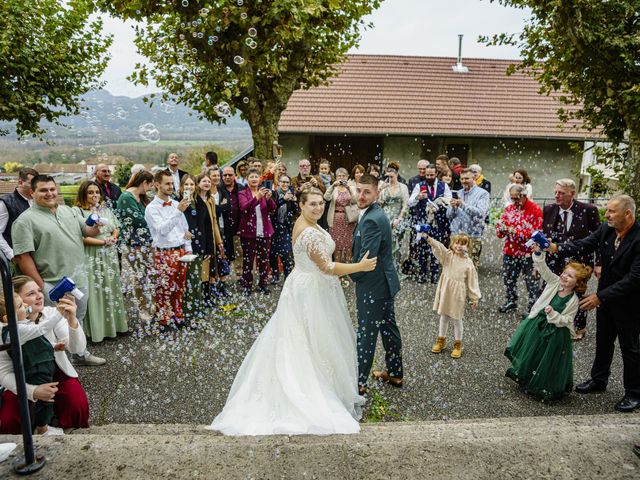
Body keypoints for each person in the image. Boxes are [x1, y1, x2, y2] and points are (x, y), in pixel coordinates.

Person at [208, 188, 376, 435]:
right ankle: (311, 388)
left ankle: (325, 382)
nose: (318, 208)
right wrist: (359, 266)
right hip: (311, 291)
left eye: (320, 203)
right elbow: (327, 267)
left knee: (308, 338)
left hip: (307, 285)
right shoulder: (308, 232)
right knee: (309, 340)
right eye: (312, 204)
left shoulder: (309, 223)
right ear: (301, 205)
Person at [546, 194, 640, 412]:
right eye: (606, 210)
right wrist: (556, 248)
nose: (605, 215)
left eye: (611, 211)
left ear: (627, 214)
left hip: (630, 305)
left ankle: (634, 393)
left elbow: (634, 279)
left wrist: (600, 296)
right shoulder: (607, 230)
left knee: (631, 348)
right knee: (603, 341)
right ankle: (599, 380)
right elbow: (583, 245)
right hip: (606, 300)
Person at [11, 175, 105, 366]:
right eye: (43, 190)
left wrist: (96, 225)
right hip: (51, 283)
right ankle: (57, 365)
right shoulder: (24, 221)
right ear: (32, 193)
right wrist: (40, 285)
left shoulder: (68, 211)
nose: (49, 193)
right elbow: (23, 257)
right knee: (53, 325)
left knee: (77, 318)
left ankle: (80, 355)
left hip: (78, 278)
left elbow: (87, 232)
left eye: (52, 189)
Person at [0, 275, 89, 434]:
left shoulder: (50, 313)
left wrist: (72, 320)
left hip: (54, 371)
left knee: (77, 406)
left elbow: (77, 349)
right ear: (12, 300)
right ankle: (39, 430)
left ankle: (56, 424)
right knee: (10, 420)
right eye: (31, 294)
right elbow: (4, 372)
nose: (40, 296)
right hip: (22, 377)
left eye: (39, 291)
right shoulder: (5, 329)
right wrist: (33, 390)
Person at [505, 249, 592, 401]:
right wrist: (539, 254)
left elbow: (567, 320)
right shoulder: (554, 282)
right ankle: (527, 377)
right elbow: (542, 268)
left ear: (577, 283)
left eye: (570, 276)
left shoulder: (573, 301)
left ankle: (543, 385)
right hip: (538, 325)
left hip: (556, 333)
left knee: (548, 358)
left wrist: (553, 315)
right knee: (534, 352)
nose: (564, 276)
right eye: (565, 272)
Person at [351, 174, 403, 393]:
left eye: (367, 192)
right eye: (359, 191)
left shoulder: (372, 219)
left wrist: (346, 273)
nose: (361, 196)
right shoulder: (374, 213)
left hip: (373, 285)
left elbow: (367, 260)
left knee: (367, 333)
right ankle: (395, 373)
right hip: (384, 282)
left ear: (377, 192)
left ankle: (360, 383)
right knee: (388, 329)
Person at [0, 291, 70, 435]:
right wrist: (59, 312)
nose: (26, 305)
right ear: (8, 318)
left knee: (47, 397)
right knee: (45, 400)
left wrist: (52, 345)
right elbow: (41, 329)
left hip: (41, 365)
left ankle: (41, 426)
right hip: (35, 369)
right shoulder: (15, 330)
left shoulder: (21, 326)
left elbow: (37, 341)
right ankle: (42, 429)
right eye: (20, 305)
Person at [542, 178, 601, 340]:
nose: (557, 196)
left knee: (577, 294)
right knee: (552, 290)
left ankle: (579, 327)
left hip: (580, 261)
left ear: (572, 194)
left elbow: (599, 239)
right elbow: (545, 238)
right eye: (555, 192)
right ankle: (553, 321)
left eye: (561, 193)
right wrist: (538, 263)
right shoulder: (548, 209)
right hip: (555, 260)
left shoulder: (588, 210)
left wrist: (599, 263)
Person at [73, 181, 128, 342]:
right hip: (91, 254)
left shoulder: (105, 210)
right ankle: (95, 331)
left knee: (110, 288)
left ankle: (114, 327)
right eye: (90, 192)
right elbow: (82, 237)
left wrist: (113, 238)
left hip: (109, 254)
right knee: (94, 290)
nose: (95, 195)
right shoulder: (77, 212)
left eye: (97, 192)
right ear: (83, 194)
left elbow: (116, 226)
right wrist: (103, 242)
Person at [144, 169, 193, 329]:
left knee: (180, 287)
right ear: (157, 184)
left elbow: (185, 229)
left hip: (180, 251)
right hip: (164, 253)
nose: (171, 186)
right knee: (164, 288)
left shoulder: (175, 203)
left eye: (172, 183)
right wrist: (178, 211)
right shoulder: (151, 208)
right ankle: (163, 320)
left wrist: (188, 248)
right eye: (167, 183)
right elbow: (163, 230)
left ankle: (177, 316)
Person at [428, 234, 481, 359]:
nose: (459, 246)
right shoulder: (448, 256)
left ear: (468, 246)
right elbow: (439, 247)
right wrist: (429, 239)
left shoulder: (468, 263)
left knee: (457, 319)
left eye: (463, 244)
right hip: (446, 291)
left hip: (458, 294)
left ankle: (458, 344)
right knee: (444, 316)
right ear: (452, 244)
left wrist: (474, 297)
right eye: (457, 243)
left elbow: (472, 281)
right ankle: (441, 339)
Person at [496, 184, 543, 313]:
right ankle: (511, 300)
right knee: (509, 278)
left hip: (528, 253)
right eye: (512, 199)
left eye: (516, 198)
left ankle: (533, 307)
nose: (514, 202)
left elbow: (536, 233)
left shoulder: (535, 209)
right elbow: (500, 232)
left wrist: (515, 231)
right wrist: (501, 228)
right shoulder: (510, 209)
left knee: (531, 280)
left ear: (524, 196)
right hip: (510, 251)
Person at [116, 170, 155, 323]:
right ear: (143, 182)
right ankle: (143, 309)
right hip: (134, 245)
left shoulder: (142, 198)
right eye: (150, 185)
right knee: (139, 278)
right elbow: (139, 221)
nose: (150, 188)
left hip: (146, 243)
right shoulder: (126, 197)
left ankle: (151, 305)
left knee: (149, 277)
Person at [407, 164, 452, 283]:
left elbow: (449, 200)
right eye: (427, 175)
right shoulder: (419, 185)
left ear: (436, 174)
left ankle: (434, 274)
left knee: (437, 248)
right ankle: (422, 274)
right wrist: (418, 197)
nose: (429, 177)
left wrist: (440, 203)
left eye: (431, 175)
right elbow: (410, 202)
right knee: (422, 249)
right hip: (423, 223)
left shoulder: (444, 186)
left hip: (438, 223)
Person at [237, 168, 276, 295]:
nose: (254, 179)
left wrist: (269, 198)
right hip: (248, 232)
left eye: (256, 177)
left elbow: (272, 209)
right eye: (251, 177)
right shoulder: (242, 193)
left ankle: (263, 284)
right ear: (247, 179)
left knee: (264, 259)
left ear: (259, 179)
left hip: (264, 231)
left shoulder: (264, 191)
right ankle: (247, 285)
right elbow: (244, 208)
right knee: (249, 259)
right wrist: (256, 198)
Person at [447, 168, 491, 266]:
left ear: (474, 178)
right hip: (456, 236)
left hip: (472, 236)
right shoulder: (458, 193)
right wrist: (453, 208)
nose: (463, 181)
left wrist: (462, 204)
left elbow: (480, 213)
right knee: (455, 267)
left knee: (470, 268)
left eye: (466, 178)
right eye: (462, 179)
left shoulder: (483, 194)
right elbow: (448, 216)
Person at [0, 167, 37, 262]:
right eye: (32, 183)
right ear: (20, 182)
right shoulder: (6, 202)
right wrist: (11, 255)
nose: (35, 187)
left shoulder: (37, 200)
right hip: (17, 258)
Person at [378, 162, 409, 276]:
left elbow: (405, 204)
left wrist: (400, 218)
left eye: (392, 176)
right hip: (384, 218)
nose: (390, 178)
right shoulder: (383, 185)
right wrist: (381, 189)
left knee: (396, 244)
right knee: (384, 244)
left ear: (396, 175)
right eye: (388, 176)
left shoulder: (403, 187)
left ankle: (394, 270)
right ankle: (383, 269)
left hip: (397, 219)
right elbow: (378, 203)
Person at [324, 168, 357, 263]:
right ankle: (338, 269)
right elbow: (326, 197)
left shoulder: (351, 187)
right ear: (336, 177)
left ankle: (348, 267)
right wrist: (332, 186)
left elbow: (355, 201)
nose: (341, 178)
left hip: (348, 219)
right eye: (339, 176)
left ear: (347, 177)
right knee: (337, 244)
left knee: (348, 244)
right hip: (335, 219)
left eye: (343, 176)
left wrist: (349, 188)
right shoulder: (333, 188)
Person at [269, 174, 298, 283]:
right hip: (273, 227)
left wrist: (294, 202)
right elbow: (272, 208)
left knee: (286, 252)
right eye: (283, 182)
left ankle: (288, 276)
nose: (285, 184)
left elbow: (294, 212)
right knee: (272, 253)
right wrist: (283, 200)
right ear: (279, 183)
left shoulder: (290, 194)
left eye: (287, 182)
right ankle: (275, 275)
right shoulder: (274, 194)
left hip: (285, 228)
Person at [209, 168, 231, 296]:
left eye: (218, 175)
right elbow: (212, 211)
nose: (216, 178)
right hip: (211, 228)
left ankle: (222, 285)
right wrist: (219, 208)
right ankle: (212, 285)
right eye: (213, 176)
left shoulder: (222, 191)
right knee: (213, 256)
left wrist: (219, 208)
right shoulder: (206, 194)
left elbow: (228, 207)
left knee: (223, 255)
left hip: (223, 227)